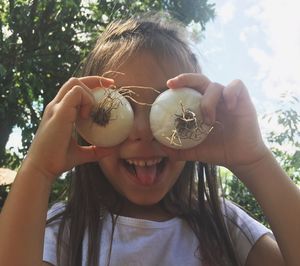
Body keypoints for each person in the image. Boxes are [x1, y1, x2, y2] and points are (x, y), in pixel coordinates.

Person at [0, 14, 299, 266]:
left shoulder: (224, 224)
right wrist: (38, 170)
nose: (142, 130)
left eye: (168, 107)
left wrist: (255, 161)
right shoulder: (61, 230)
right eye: (116, 109)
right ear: (83, 122)